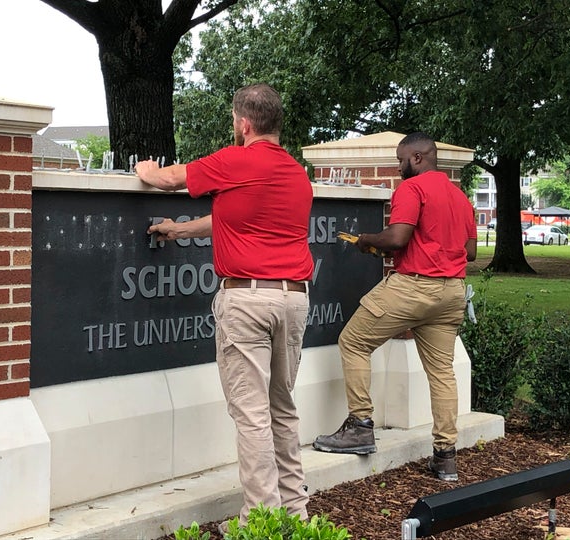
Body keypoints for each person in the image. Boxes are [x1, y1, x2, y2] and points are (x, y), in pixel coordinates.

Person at [135, 83, 313, 529]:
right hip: (293, 299)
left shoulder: (235, 160)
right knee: (281, 408)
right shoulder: (294, 172)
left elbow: (169, 178)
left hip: (246, 300)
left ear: (243, 122)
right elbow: (229, 219)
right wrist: (179, 232)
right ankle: (295, 514)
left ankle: (262, 521)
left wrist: (146, 167)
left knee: (251, 415)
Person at [312, 131, 477, 482]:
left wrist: (367, 240)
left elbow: (397, 238)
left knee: (354, 342)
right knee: (442, 373)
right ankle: (445, 456)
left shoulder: (412, 189)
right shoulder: (460, 198)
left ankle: (359, 426)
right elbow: (471, 252)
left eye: (400, 159)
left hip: (414, 287)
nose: (398, 166)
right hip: (451, 293)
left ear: (416, 158)